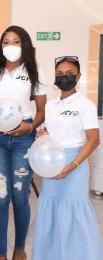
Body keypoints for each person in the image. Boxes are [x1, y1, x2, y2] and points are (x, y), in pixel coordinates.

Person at [0, 25, 46, 260]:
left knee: (19, 195)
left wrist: (29, 127)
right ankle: (0, 254)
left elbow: (41, 109)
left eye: (16, 41)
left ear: (24, 44)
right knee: (0, 196)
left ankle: (19, 249)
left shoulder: (34, 71)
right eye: (6, 42)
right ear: (1, 46)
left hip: (24, 139)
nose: (11, 46)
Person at [32, 56, 103, 260]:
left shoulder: (85, 105)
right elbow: (49, 132)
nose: (64, 78)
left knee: (75, 212)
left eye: (70, 74)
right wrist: (42, 135)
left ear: (78, 76)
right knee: (51, 210)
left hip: (75, 165)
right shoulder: (51, 106)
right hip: (52, 165)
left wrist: (72, 166)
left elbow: (94, 140)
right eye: (60, 74)